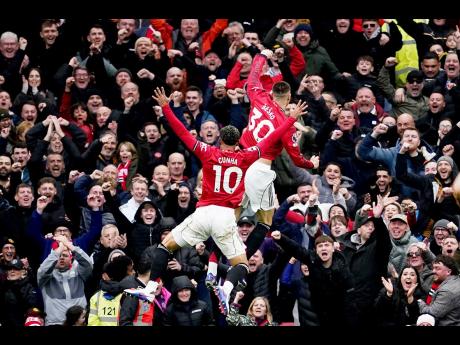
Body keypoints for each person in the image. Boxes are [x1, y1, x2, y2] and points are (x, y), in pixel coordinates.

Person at [148, 86, 307, 316]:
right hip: (224, 216)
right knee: (241, 264)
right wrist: (290, 119)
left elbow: (181, 131)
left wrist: (166, 107)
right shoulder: (246, 156)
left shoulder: (207, 151)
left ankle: (151, 286)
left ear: (220, 139)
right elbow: (271, 138)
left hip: (202, 214)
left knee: (166, 246)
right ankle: (227, 287)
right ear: (237, 142)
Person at [239, 49, 319, 252]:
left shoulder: (258, 96)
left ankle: (215, 263)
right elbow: (297, 160)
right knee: (266, 221)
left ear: (272, 93)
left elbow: (254, 76)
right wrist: (313, 164)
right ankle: (242, 262)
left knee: (232, 215)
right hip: (259, 169)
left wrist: (262, 56)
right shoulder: (286, 125)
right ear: (290, 96)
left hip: (240, 160)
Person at [417, 254, 460, 325]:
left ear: (449, 272)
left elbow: (432, 313)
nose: (433, 271)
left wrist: (419, 302)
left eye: (437, 268)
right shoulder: (455, 280)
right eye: (433, 268)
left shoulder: (447, 291)